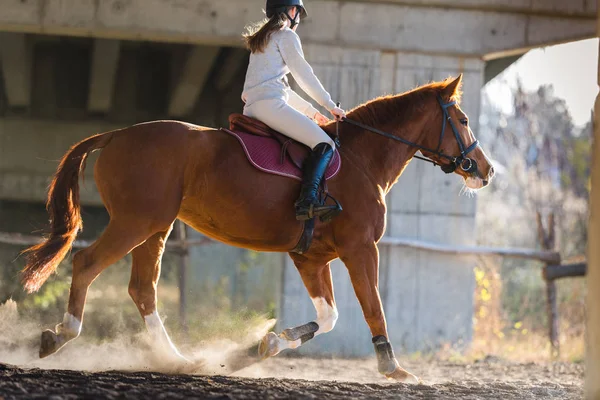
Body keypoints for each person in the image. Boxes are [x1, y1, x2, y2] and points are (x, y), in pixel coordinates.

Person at [242, 0, 345, 221]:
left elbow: (282, 88)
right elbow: (303, 74)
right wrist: (330, 106)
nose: (298, 20)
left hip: (253, 108)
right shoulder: (286, 35)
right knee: (325, 144)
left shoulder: (263, 40)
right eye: (298, 14)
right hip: (270, 105)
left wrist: (311, 112)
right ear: (292, 11)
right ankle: (307, 201)